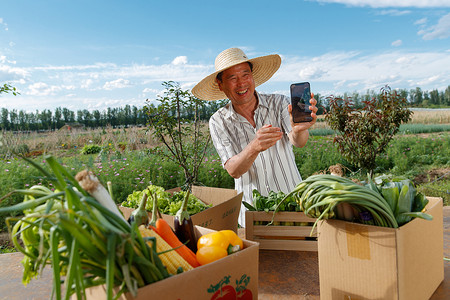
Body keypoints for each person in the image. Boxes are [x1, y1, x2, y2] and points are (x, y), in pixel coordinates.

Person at [192, 47, 318, 226]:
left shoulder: (279, 103)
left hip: (294, 206)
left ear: (253, 77)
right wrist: (254, 146)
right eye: (232, 78)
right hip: (252, 214)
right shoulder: (218, 121)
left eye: (245, 75)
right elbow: (233, 170)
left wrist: (298, 130)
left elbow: (298, 142)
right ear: (221, 85)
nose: (241, 83)